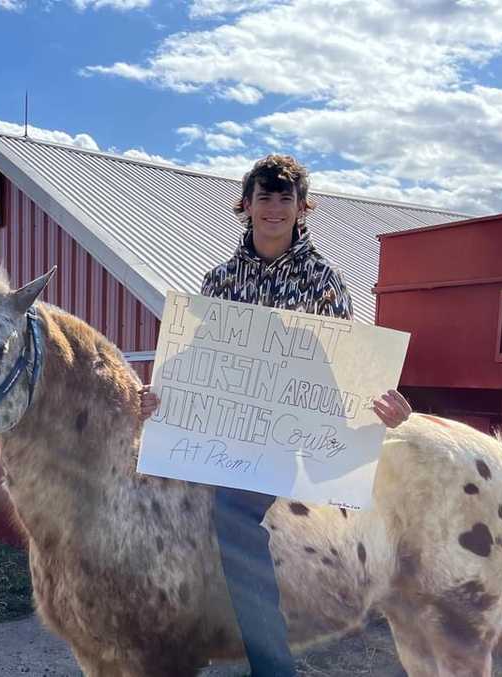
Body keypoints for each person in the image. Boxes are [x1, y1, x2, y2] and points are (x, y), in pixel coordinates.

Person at [138, 154, 411, 677]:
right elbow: (198, 363)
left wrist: (385, 407)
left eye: (286, 198)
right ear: (246, 206)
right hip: (228, 438)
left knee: (233, 517)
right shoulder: (218, 282)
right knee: (170, 507)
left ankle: (272, 667)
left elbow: (347, 371)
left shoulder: (322, 283)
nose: (274, 208)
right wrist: (161, 397)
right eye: (264, 196)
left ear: (303, 208)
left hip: (289, 442)